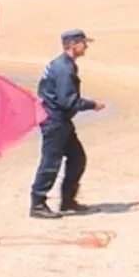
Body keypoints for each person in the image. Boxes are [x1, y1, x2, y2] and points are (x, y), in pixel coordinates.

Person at [29, 29, 106, 219]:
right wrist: (92, 105)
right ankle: (37, 204)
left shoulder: (64, 64)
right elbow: (67, 100)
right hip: (54, 120)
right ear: (72, 44)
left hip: (60, 120)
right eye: (83, 43)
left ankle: (67, 200)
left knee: (78, 158)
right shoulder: (64, 67)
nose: (86, 46)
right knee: (50, 162)